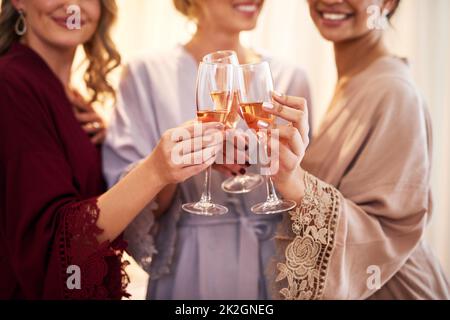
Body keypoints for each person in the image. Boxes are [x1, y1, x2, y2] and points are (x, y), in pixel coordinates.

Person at [0, 0, 219, 299]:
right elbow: (55, 246)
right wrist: (154, 169)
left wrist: (106, 147)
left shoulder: (70, 100)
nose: (72, 6)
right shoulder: (10, 84)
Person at [103, 0, 311, 299]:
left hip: (274, 270)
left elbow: (307, 201)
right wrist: (174, 167)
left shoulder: (292, 77)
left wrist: (289, 173)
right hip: (187, 271)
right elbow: (126, 206)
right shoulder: (145, 73)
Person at [262, 0, 450, 299]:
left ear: (387, 3)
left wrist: (295, 183)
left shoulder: (394, 92)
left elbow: (387, 232)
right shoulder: (356, 79)